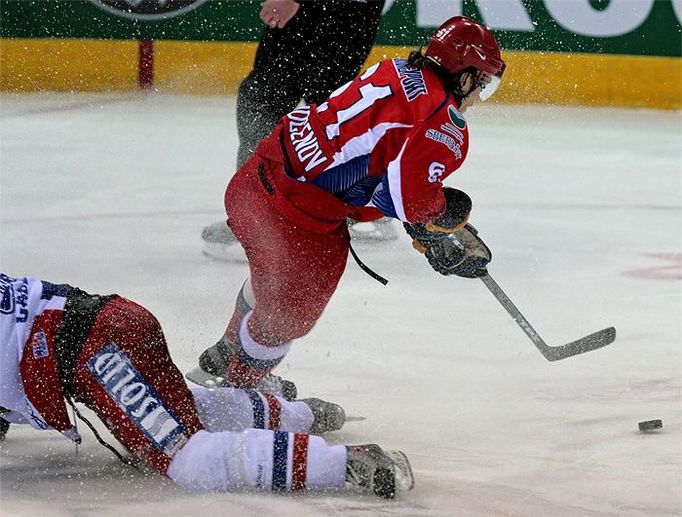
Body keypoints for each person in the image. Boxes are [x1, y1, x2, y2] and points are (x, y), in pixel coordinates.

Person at [195, 16, 503, 390]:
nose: (477, 97)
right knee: (289, 314)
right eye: (481, 84)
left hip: (255, 181)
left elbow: (370, 156)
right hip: (295, 219)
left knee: (270, 276)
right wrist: (441, 218)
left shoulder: (396, 68)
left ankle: (229, 350)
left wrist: (422, 217)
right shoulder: (445, 123)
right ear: (464, 75)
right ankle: (241, 390)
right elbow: (414, 201)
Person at [0, 272, 413, 498]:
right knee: (179, 412)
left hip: (94, 347)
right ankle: (303, 414)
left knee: (190, 459)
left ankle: (349, 462)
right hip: (105, 323)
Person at [202, 0, 395, 261]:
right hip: (343, 11)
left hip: (338, 10)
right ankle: (262, 217)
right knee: (312, 109)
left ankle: (261, 221)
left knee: (312, 110)